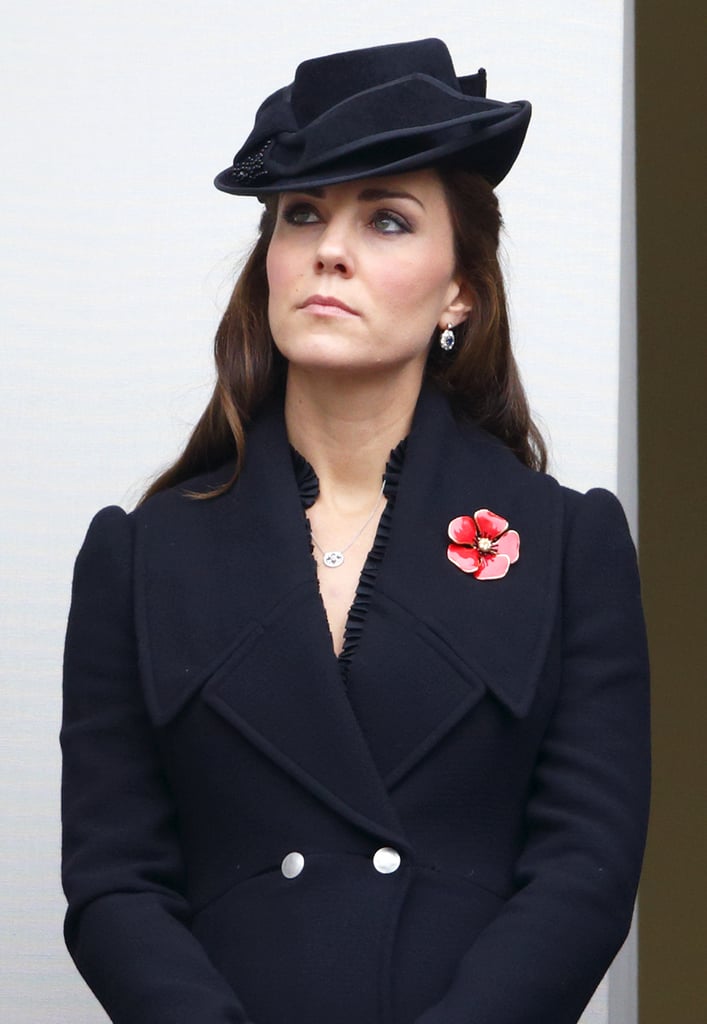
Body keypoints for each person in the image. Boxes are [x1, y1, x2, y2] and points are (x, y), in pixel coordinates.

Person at [61, 38, 650, 1024]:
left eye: (384, 218)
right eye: (301, 215)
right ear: (270, 262)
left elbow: (582, 871)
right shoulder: (139, 556)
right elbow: (115, 879)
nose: (328, 248)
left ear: (458, 289)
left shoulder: (566, 543)